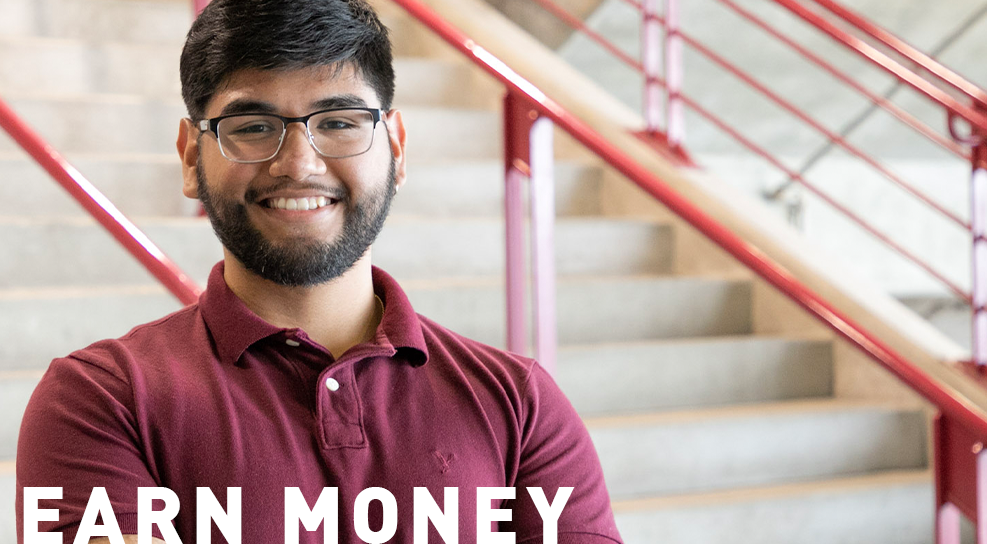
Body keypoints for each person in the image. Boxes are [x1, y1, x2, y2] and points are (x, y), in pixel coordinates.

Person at [15, 0, 623, 542]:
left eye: (339, 122)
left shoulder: (520, 406)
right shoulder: (99, 401)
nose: (299, 163)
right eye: (252, 127)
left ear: (398, 148)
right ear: (190, 160)